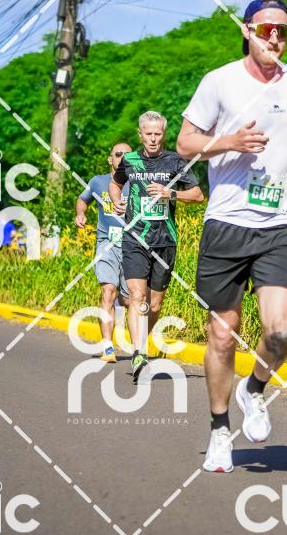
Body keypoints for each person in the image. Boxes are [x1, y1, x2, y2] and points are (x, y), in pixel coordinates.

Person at [177, 0, 287, 473]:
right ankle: (220, 431)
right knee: (223, 334)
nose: (274, 37)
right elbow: (185, 143)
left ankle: (254, 388)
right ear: (246, 30)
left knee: (280, 331)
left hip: (282, 222)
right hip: (228, 222)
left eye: (282, 30)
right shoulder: (219, 81)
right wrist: (230, 141)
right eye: (265, 29)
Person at [110, 111, 203, 377]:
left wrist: (169, 192)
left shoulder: (175, 161)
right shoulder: (129, 161)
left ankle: (140, 341)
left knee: (154, 306)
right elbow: (115, 184)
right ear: (140, 134)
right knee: (136, 296)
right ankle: (139, 353)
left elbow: (198, 195)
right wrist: (116, 200)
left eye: (158, 134)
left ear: (164, 134)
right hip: (134, 237)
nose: (153, 138)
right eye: (148, 133)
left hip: (165, 240)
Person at [75, 142, 134, 363]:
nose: (123, 158)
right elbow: (82, 199)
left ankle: (136, 345)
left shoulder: (138, 183)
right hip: (107, 242)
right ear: (111, 159)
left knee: (129, 300)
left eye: (128, 155)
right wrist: (81, 213)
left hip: (132, 246)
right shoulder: (98, 181)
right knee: (108, 291)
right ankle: (108, 347)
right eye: (119, 154)